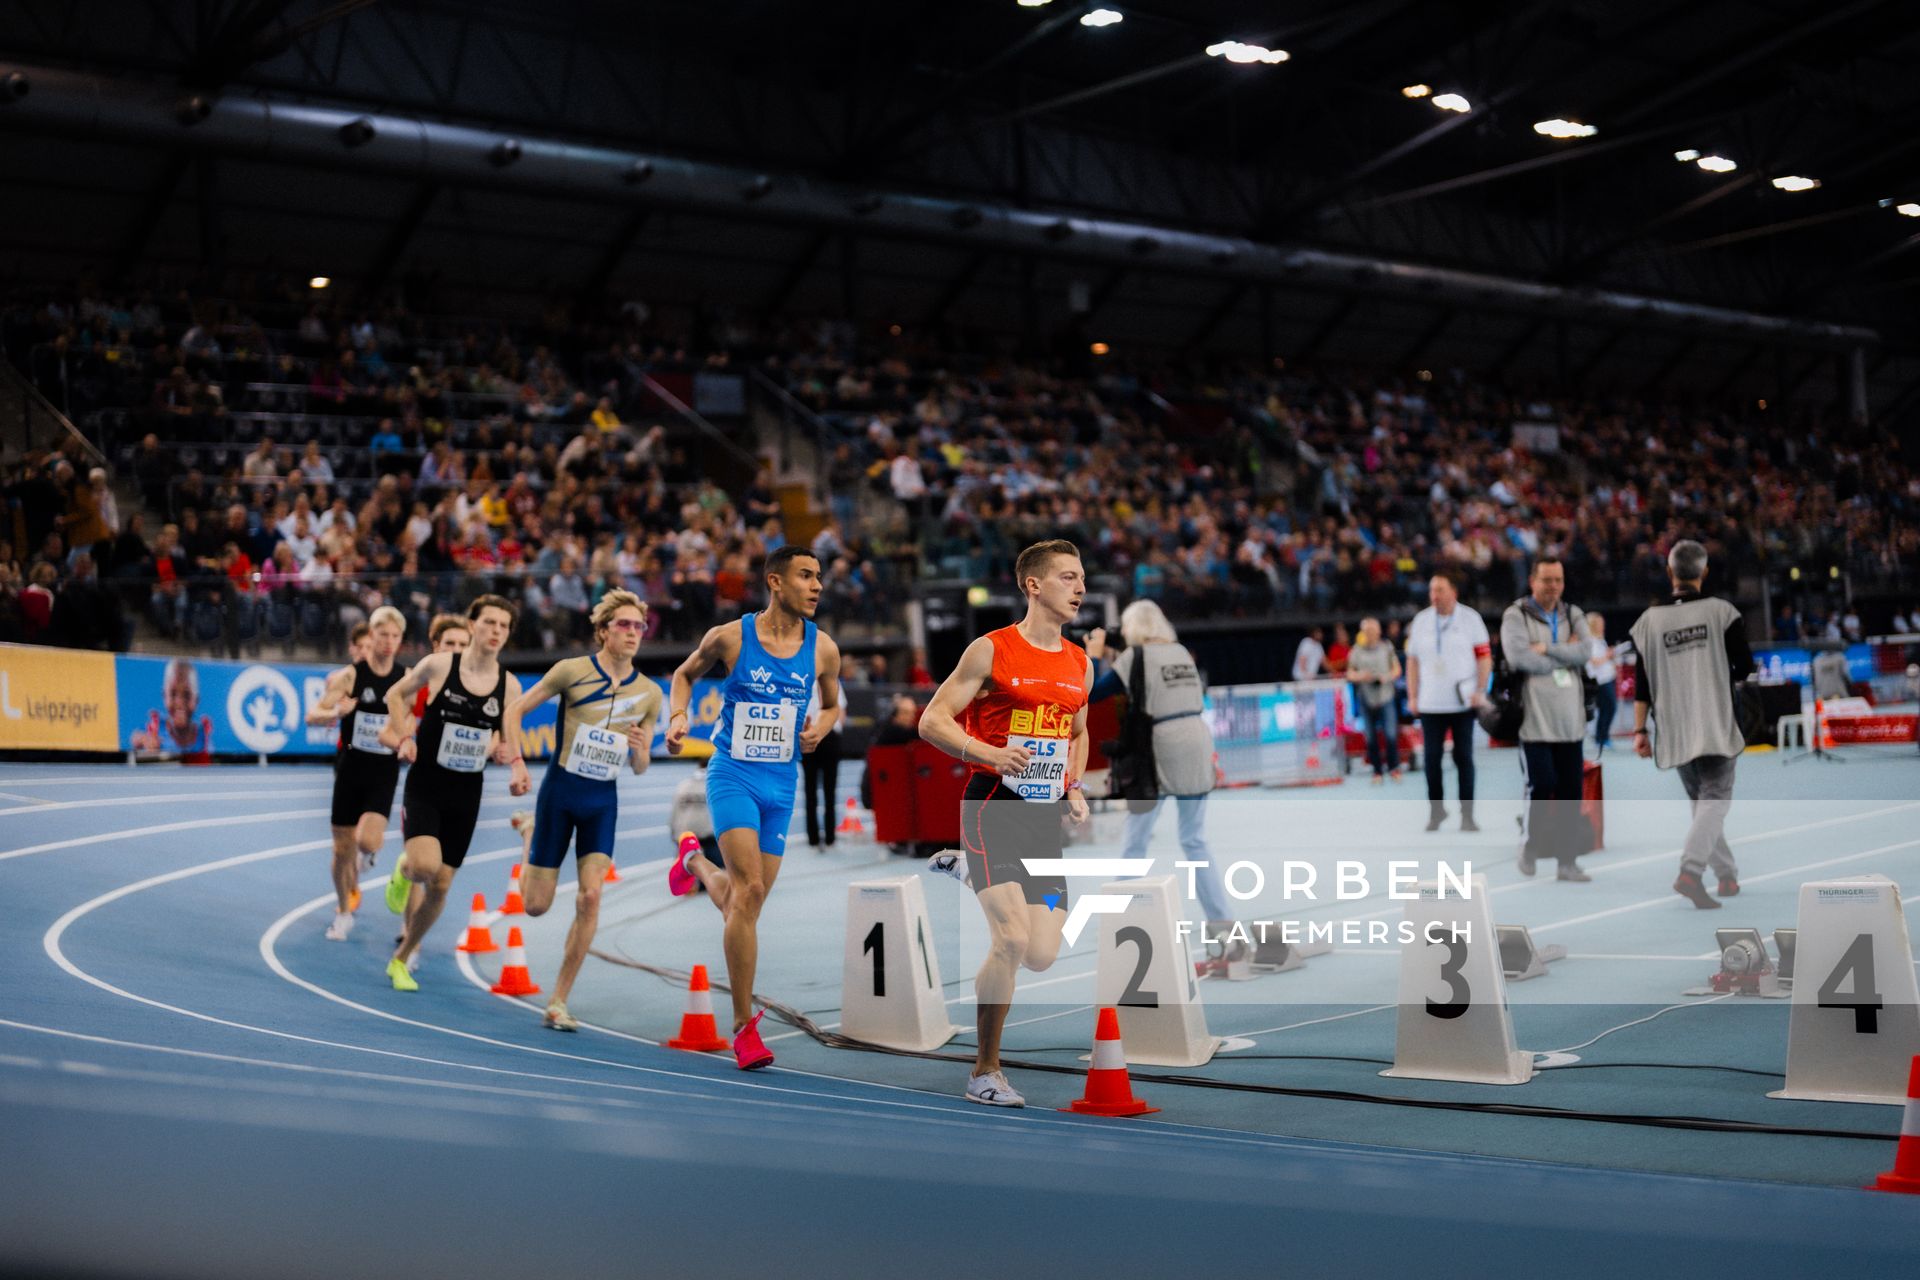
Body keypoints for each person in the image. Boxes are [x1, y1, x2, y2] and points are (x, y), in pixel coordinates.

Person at [918, 540, 1091, 1108]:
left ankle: (971, 874)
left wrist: (1073, 784)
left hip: (1043, 822)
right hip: (991, 805)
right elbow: (931, 721)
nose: (1081, 587)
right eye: (1068, 577)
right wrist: (987, 754)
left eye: (1082, 577)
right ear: (1033, 586)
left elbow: (1078, 733)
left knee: (1041, 952)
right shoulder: (990, 652)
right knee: (1011, 940)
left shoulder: (1080, 664)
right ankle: (984, 1072)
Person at [663, 546, 844, 1069]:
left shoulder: (824, 648)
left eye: (819, 578)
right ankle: (744, 1027)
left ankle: (695, 860)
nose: (816, 586)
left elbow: (832, 704)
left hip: (782, 782)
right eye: (805, 576)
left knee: (745, 903)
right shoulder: (731, 638)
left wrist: (822, 726)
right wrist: (678, 718)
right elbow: (683, 675)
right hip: (734, 773)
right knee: (753, 890)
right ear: (775, 582)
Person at [503, 590, 661, 1031]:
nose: (633, 633)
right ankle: (531, 834)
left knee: (591, 896)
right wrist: (516, 761)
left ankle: (558, 1000)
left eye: (639, 627)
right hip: (559, 794)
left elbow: (642, 767)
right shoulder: (571, 671)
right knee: (534, 906)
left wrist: (641, 750)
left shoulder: (649, 693)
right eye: (624, 625)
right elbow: (516, 709)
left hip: (601, 802)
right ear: (603, 630)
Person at [378, 596, 530, 990]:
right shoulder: (440, 666)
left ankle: (402, 957)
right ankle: (404, 869)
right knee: (424, 868)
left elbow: (507, 736)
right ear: (473, 625)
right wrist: (405, 736)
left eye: (504, 626)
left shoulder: (508, 685)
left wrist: (512, 760)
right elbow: (395, 695)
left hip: (467, 791)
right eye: (490, 623)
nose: (496, 631)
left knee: (443, 884)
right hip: (427, 783)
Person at [1085, 600, 1235, 949]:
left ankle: (1120, 920)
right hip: (1196, 739)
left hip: (1157, 750)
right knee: (1195, 839)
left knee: (1135, 840)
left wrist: (1092, 655)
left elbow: (1091, 693)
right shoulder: (1180, 651)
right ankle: (1222, 921)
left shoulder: (1132, 659)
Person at [1629, 540, 1754, 910]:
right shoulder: (1722, 612)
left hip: (1673, 727)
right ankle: (1690, 871)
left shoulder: (1648, 622)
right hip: (1716, 721)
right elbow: (1744, 668)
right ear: (1705, 572)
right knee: (1715, 799)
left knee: (1703, 804)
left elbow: (1642, 683)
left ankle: (1726, 875)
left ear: (1669, 573)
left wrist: (1639, 732)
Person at [305, 606, 409, 941]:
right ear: (372, 637)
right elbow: (313, 715)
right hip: (351, 767)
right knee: (341, 850)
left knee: (367, 841)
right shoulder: (350, 676)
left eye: (395, 636)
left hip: (384, 768)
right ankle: (344, 911)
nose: (389, 642)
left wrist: (405, 739)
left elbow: (413, 718)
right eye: (383, 635)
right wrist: (337, 710)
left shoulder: (406, 679)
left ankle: (370, 857)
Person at [1500, 559, 1593, 882]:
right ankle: (1530, 845)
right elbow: (1518, 657)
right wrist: (1562, 656)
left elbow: (1585, 651)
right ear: (1532, 581)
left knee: (1570, 792)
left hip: (1571, 720)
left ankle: (1567, 862)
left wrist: (1546, 649)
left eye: (1558, 579)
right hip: (1533, 720)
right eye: (1547, 580)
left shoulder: (1573, 614)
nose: (1553, 586)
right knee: (1542, 786)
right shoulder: (1516, 615)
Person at [1405, 573, 1491, 832]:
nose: (1434, 595)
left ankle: (1468, 814)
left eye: (1440, 589)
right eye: (1432, 590)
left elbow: (1484, 657)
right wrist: (1412, 695)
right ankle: (1436, 811)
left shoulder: (1471, 619)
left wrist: (1480, 689)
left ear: (1453, 591)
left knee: (1463, 757)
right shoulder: (1420, 621)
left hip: (1462, 703)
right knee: (1431, 760)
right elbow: (1412, 661)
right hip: (1430, 703)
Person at [1345, 616, 1403, 783]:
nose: (1370, 633)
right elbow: (1349, 673)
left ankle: (1394, 768)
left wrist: (1386, 677)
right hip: (1366, 698)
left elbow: (1397, 669)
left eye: (1373, 630)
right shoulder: (1356, 650)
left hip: (1386, 696)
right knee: (1370, 737)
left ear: (1378, 631)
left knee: (1391, 734)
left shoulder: (1387, 648)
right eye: (1366, 631)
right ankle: (1377, 771)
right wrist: (1361, 676)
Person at [128, 656, 214, 763]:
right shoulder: (156, 727)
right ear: (164, 696)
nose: (179, 703)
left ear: (196, 700)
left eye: (187, 695)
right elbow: (134, 737)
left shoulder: (204, 734)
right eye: (173, 694)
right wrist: (143, 739)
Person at [801, 679, 846, 850]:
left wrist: (836, 728)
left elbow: (841, 707)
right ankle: (812, 837)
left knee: (829, 789)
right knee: (810, 789)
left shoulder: (832, 681)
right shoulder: (802, 678)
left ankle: (830, 836)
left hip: (829, 736)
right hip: (808, 734)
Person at [1585, 613, 1620, 754]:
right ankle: (1601, 738)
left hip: (1607, 679)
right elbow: (1594, 661)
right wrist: (1607, 655)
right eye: (1599, 624)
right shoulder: (1591, 641)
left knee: (1608, 709)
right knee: (1609, 708)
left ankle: (1603, 737)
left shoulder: (1600, 640)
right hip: (1600, 681)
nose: (1602, 627)